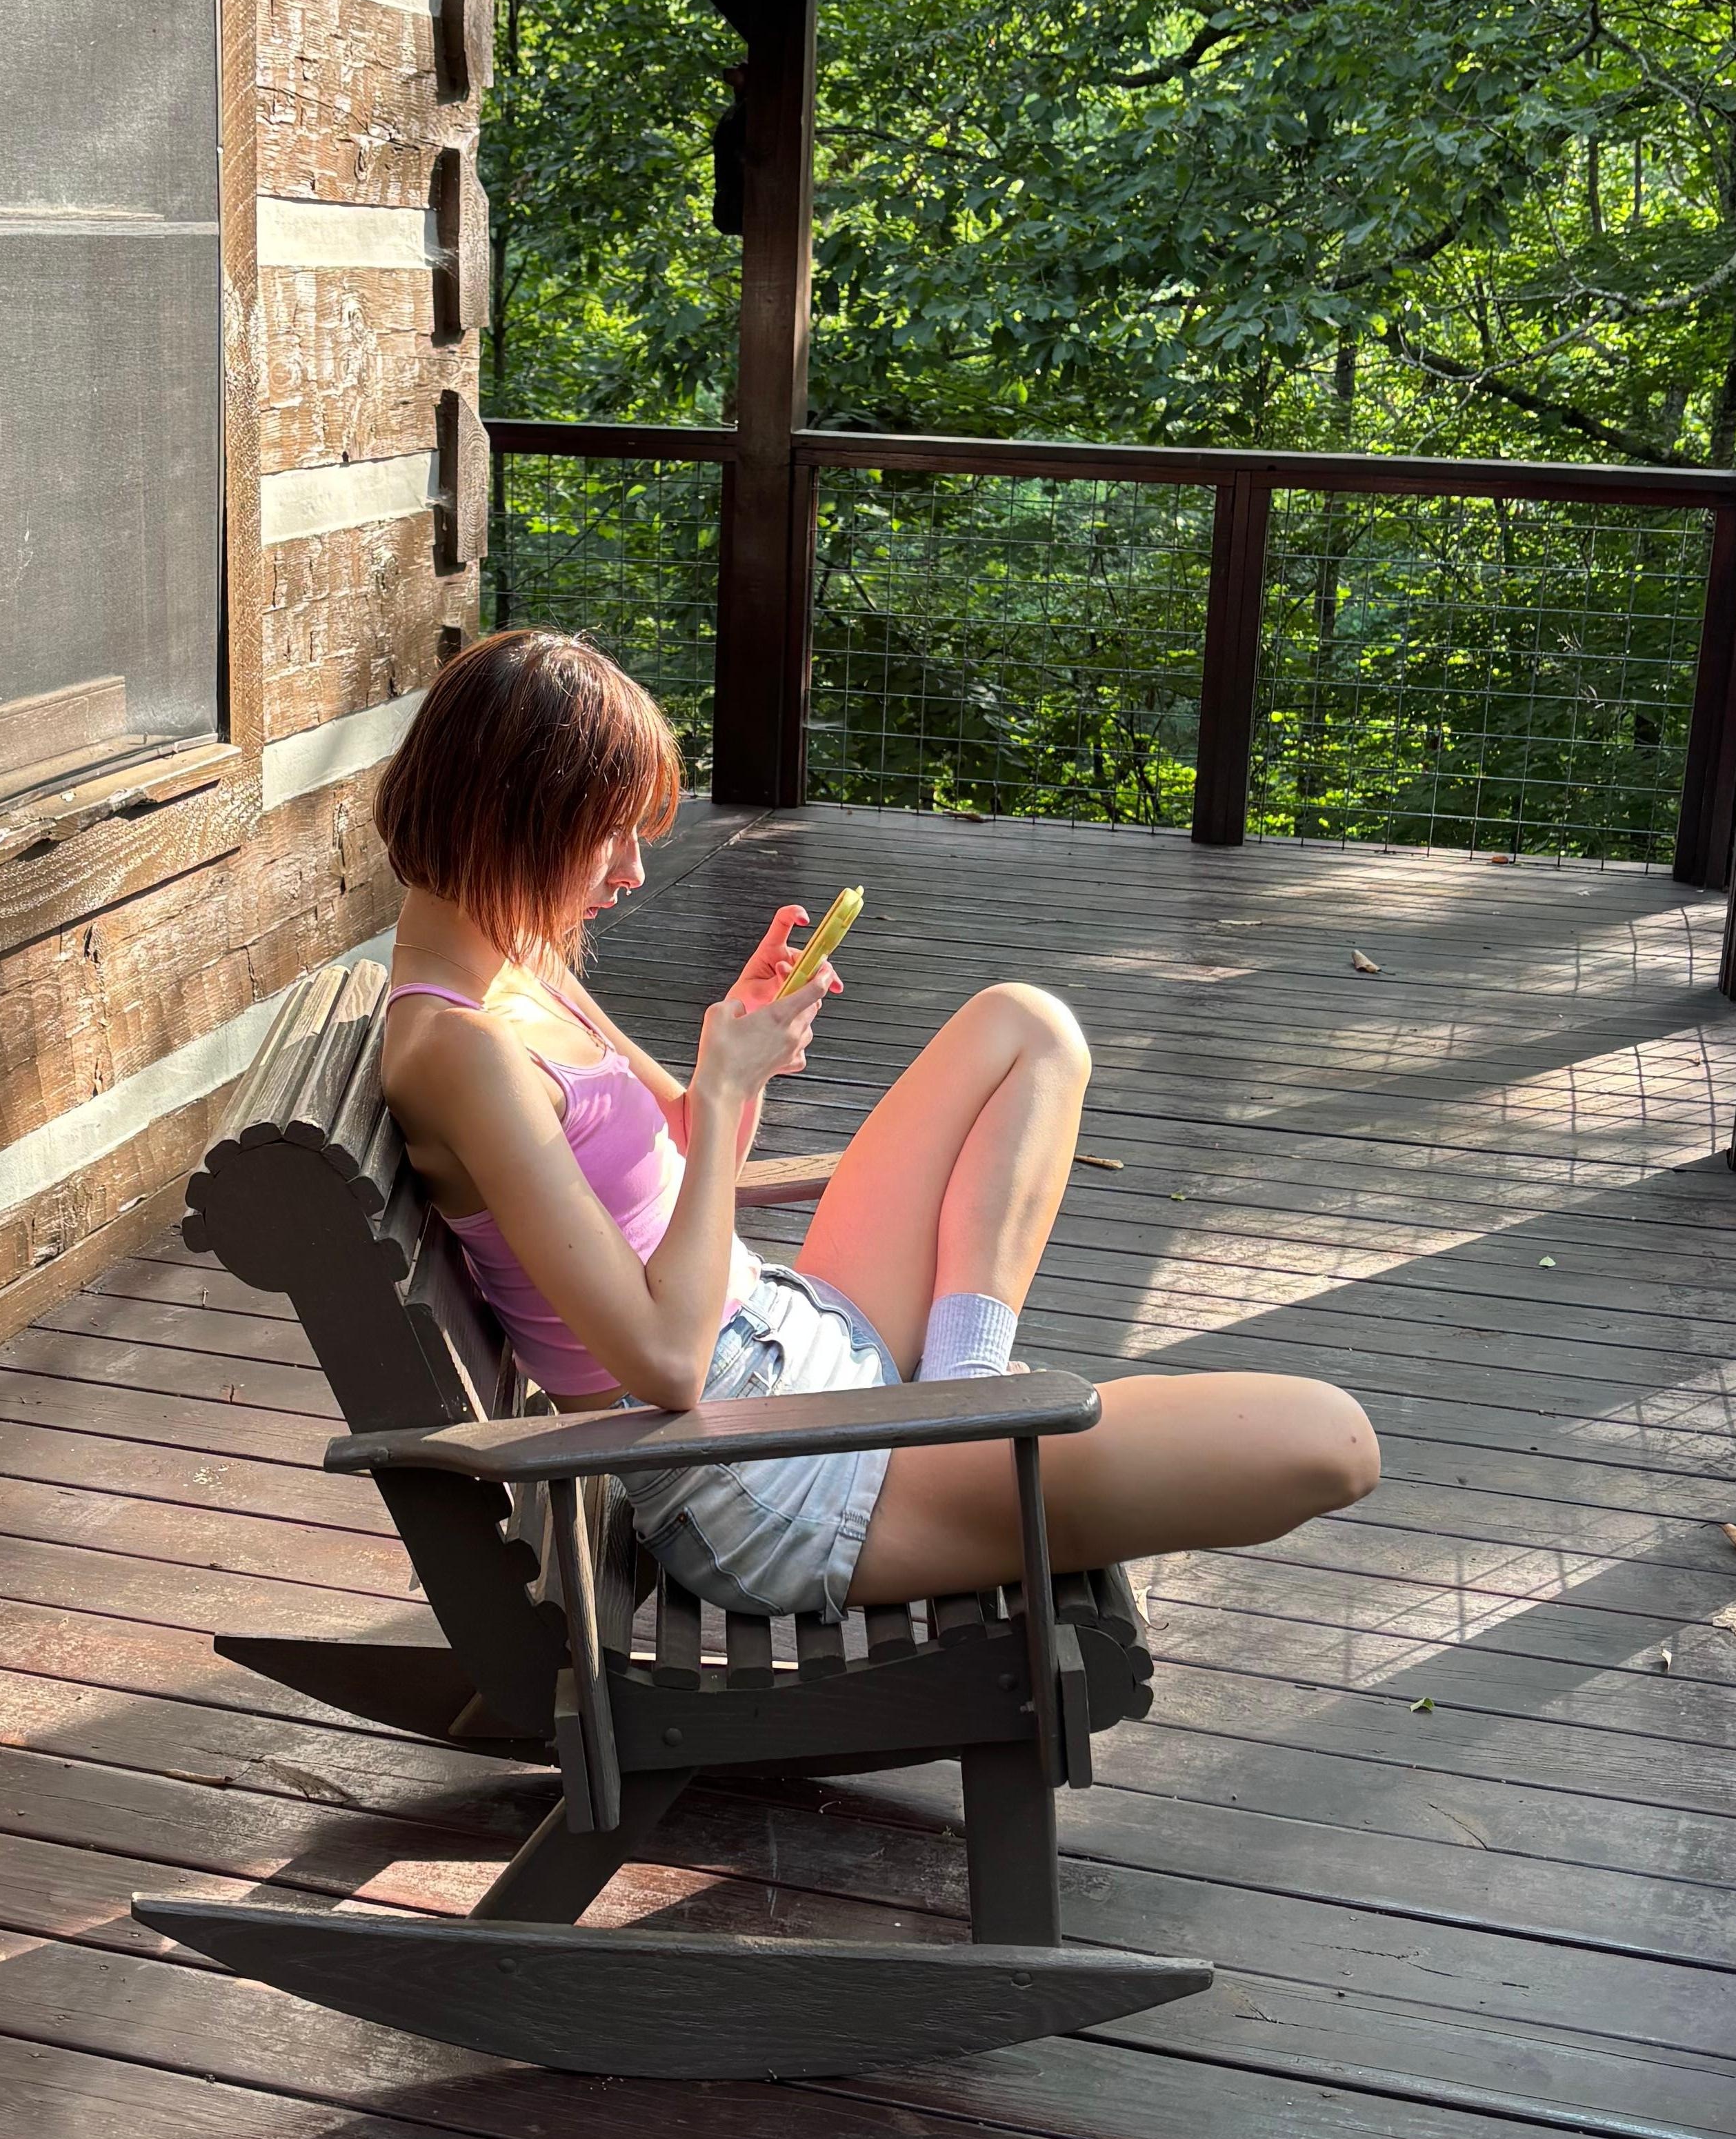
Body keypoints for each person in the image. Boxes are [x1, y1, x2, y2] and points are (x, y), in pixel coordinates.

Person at [375, 624, 1380, 1624]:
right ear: (510, 815)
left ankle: (962, 1385)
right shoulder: (459, 1050)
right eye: (609, 833)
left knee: (1026, 1026)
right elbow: (667, 1368)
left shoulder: (523, 959)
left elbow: (677, 1148)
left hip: (788, 1338)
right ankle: (958, 1431)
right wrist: (723, 1091)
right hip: (759, 1473)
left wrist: (745, 1042)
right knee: (1331, 1441)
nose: (632, 871)